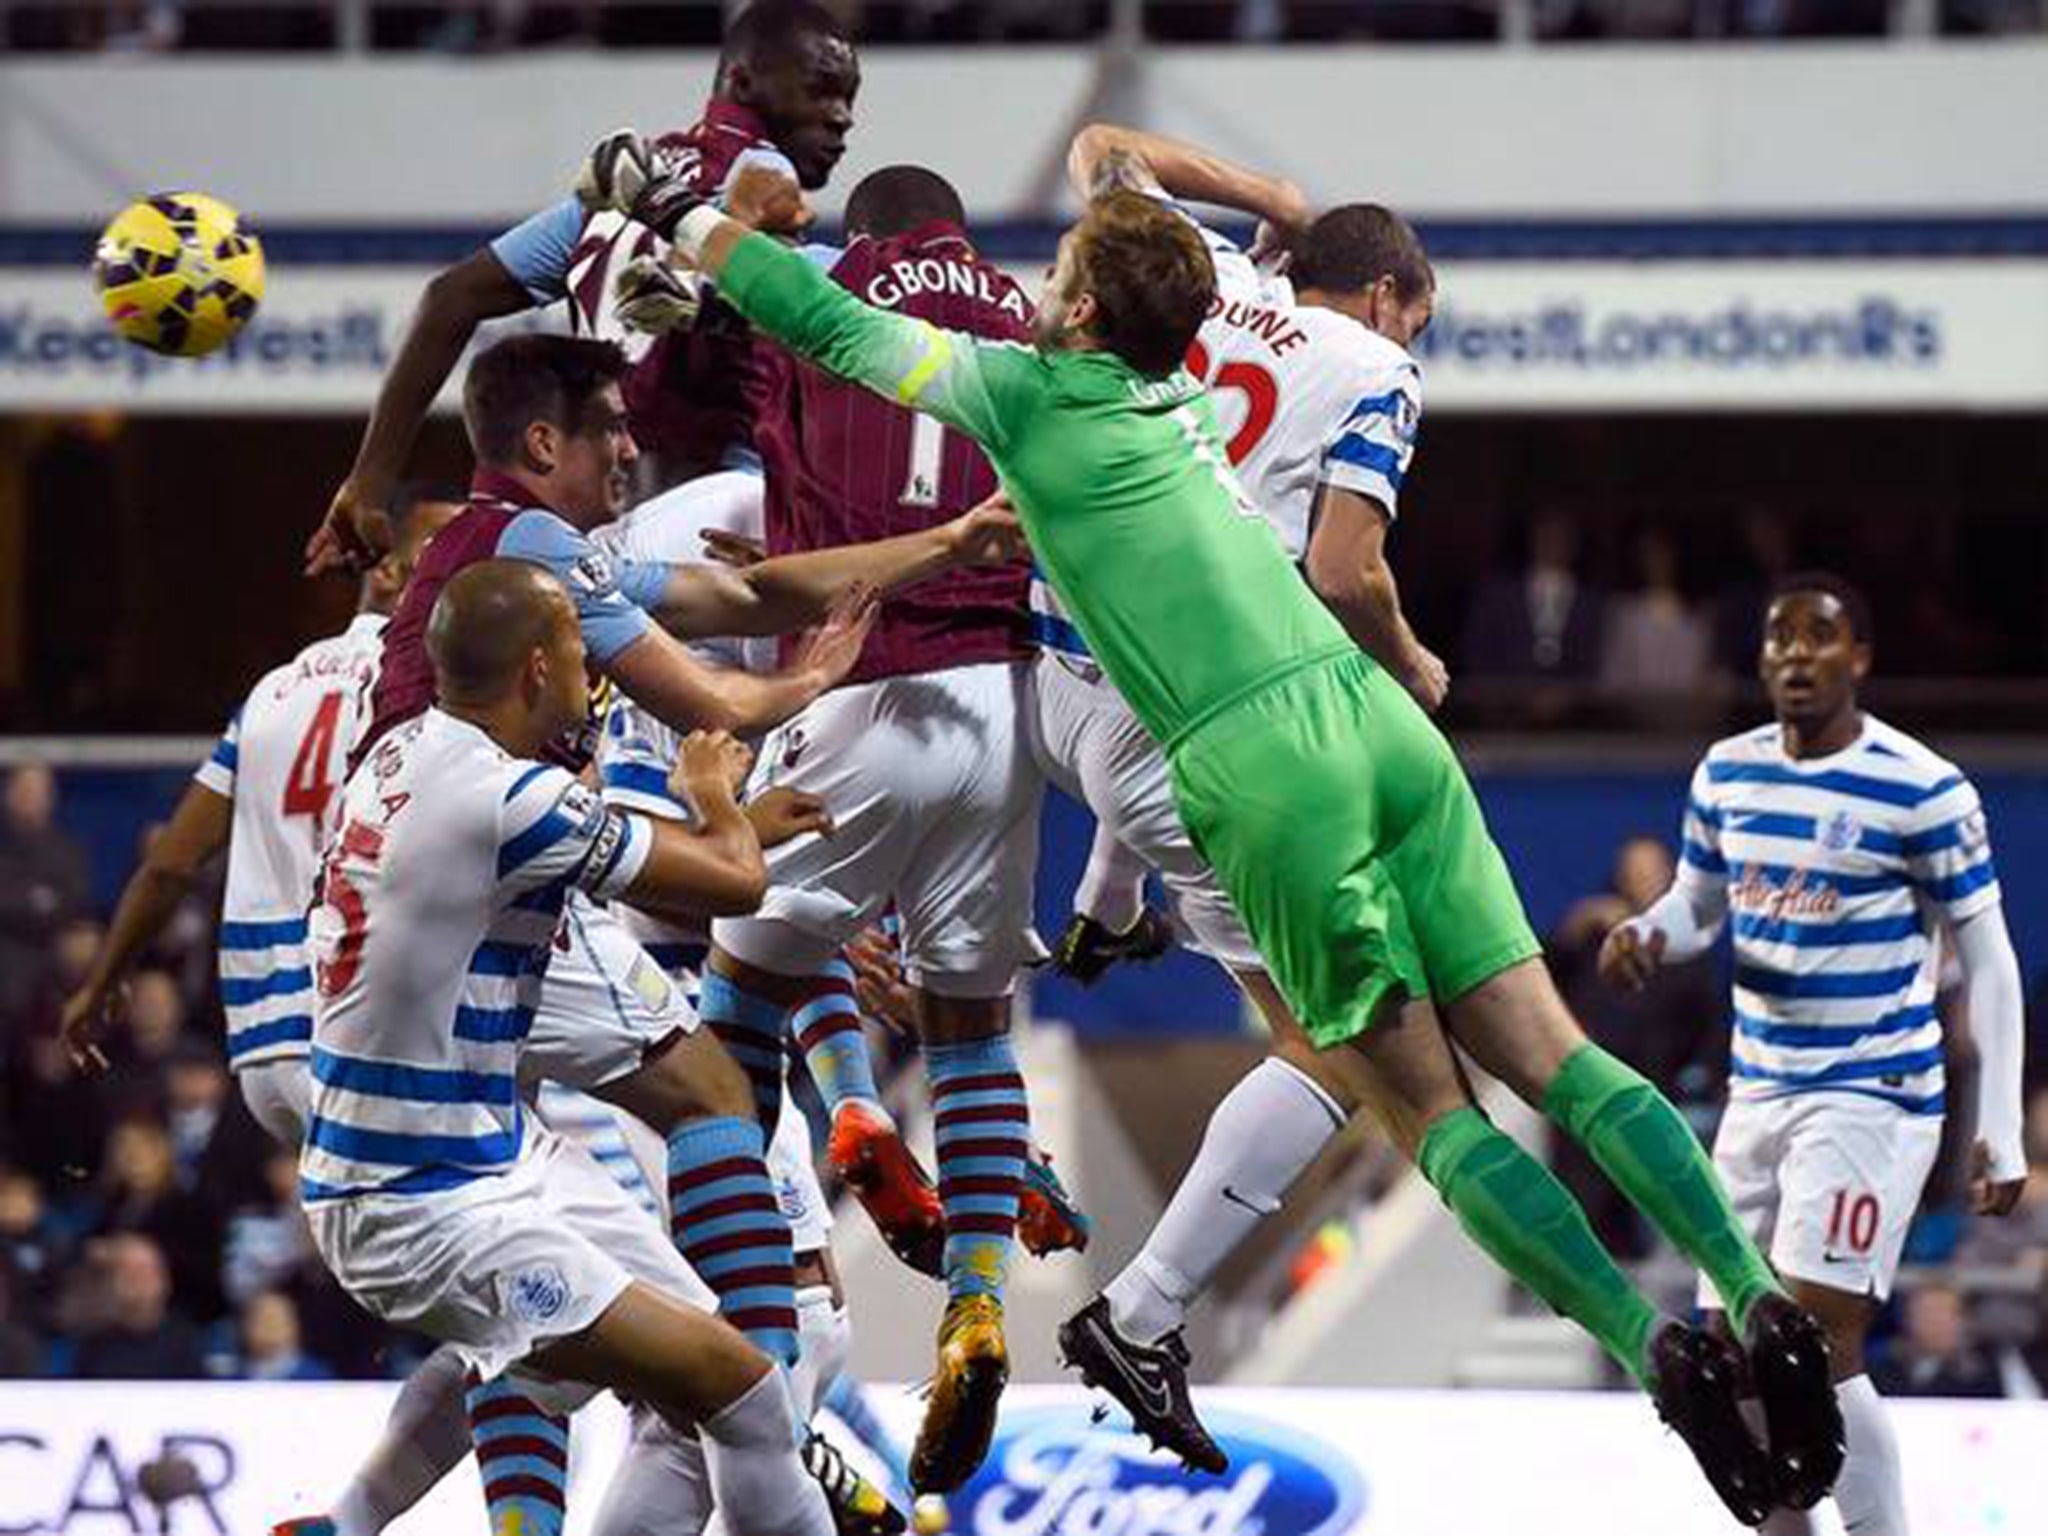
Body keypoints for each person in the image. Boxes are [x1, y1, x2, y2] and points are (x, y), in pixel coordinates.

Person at [622, 157, 1845, 1520]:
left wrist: (683, 214)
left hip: (1255, 768)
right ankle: (1752, 1293)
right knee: (1557, 1056)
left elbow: (829, 323)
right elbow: (1144, 233)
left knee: (1425, 1113)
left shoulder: (1028, 392)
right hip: (1374, 717)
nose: (1036, 287)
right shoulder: (1179, 370)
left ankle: (1653, 1352)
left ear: (1084, 314)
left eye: (1059, 278)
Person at [1016, 129, 1464, 1454]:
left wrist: (1268, 199)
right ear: (1389, 300)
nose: (1414, 346)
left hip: (1053, 671)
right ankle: (1142, 1313)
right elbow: (1342, 571)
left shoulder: (1197, 276)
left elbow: (1102, 148)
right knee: (1338, 1052)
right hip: (1185, 723)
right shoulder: (1379, 367)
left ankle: (1104, 900)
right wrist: (1414, 666)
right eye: (1418, 324)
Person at [301, 557, 833, 1536]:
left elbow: (586, 860)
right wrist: (712, 791)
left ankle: (341, 1523)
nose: (595, 677)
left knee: (686, 1376)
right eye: (580, 653)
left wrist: (726, 832)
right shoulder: (511, 801)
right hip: (424, 1201)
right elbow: (732, 883)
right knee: (745, 1391)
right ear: (537, 670)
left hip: (475, 1152)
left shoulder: (401, 756)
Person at [1601, 573, 2027, 1535]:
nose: (1797, 653)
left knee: (1811, 1340)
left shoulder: (1922, 789)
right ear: (1759, 660)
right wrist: (1651, 933)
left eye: (1819, 637)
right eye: (1779, 638)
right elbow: (1699, 908)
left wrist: (1999, 1124)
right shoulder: (1727, 774)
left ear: (1860, 659)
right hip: (1760, 1091)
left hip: (1873, 1093)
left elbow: (1992, 958)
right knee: (1728, 1343)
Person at [308, 0, 859, 573]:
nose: (842, 116)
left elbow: (450, 297)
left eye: (848, 98)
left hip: (612, 517)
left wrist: (369, 479)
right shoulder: (764, 172)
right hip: (727, 520)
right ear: (743, 81)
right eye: (821, 91)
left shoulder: (620, 185)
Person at [61, 484, 465, 1140]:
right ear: (388, 573)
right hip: (362, 1035)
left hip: (263, 1056)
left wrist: (102, 980)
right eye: (449, 554)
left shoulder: (272, 692)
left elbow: (170, 865)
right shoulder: (429, 687)